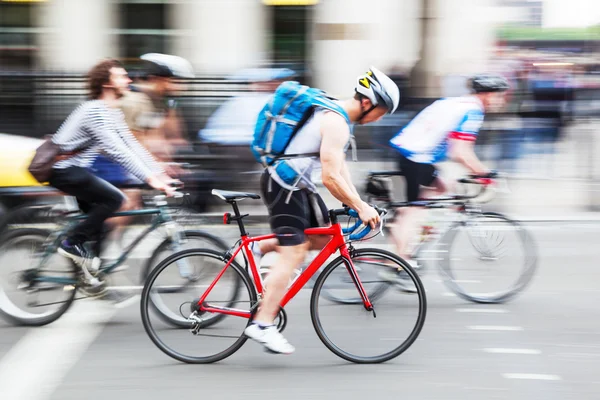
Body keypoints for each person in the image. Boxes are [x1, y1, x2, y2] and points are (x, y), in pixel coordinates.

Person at [243, 67, 400, 354]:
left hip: (298, 187)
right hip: (283, 186)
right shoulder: (336, 121)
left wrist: (357, 203)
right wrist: (359, 206)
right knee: (295, 251)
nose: (380, 118)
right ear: (367, 103)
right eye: (382, 111)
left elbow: (340, 170)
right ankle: (262, 324)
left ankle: (260, 249)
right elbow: (330, 177)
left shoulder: (338, 117)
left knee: (323, 238)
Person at [49, 59, 176, 295]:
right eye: (122, 76)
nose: (128, 80)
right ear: (108, 83)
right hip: (63, 170)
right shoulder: (94, 110)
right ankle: (70, 243)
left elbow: (132, 146)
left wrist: (158, 174)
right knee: (114, 200)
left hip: (78, 170)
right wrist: (151, 179)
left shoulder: (110, 112)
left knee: (101, 224)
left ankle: (90, 279)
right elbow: (118, 151)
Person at [385, 74, 509, 276]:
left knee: (445, 187)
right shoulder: (473, 111)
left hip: (416, 155)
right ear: (487, 95)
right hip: (414, 157)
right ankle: (398, 263)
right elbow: (459, 152)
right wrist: (484, 174)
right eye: (499, 96)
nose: (501, 101)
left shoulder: (457, 102)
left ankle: (415, 234)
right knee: (412, 212)